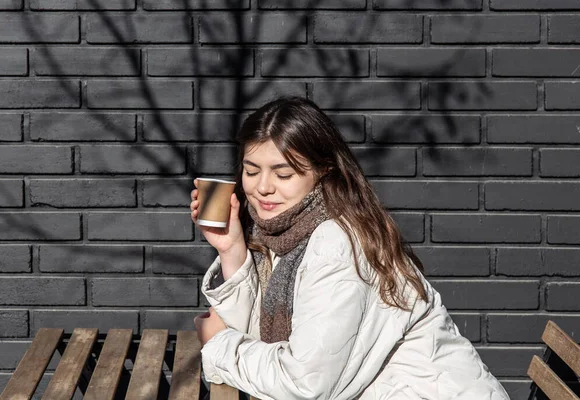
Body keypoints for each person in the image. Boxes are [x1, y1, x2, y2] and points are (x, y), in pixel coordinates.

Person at [190, 96, 510, 400]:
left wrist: (218, 344)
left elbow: (303, 385)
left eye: (283, 173)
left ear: (323, 170)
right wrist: (232, 249)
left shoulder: (335, 242)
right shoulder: (282, 232)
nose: (263, 187)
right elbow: (266, 339)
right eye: (251, 170)